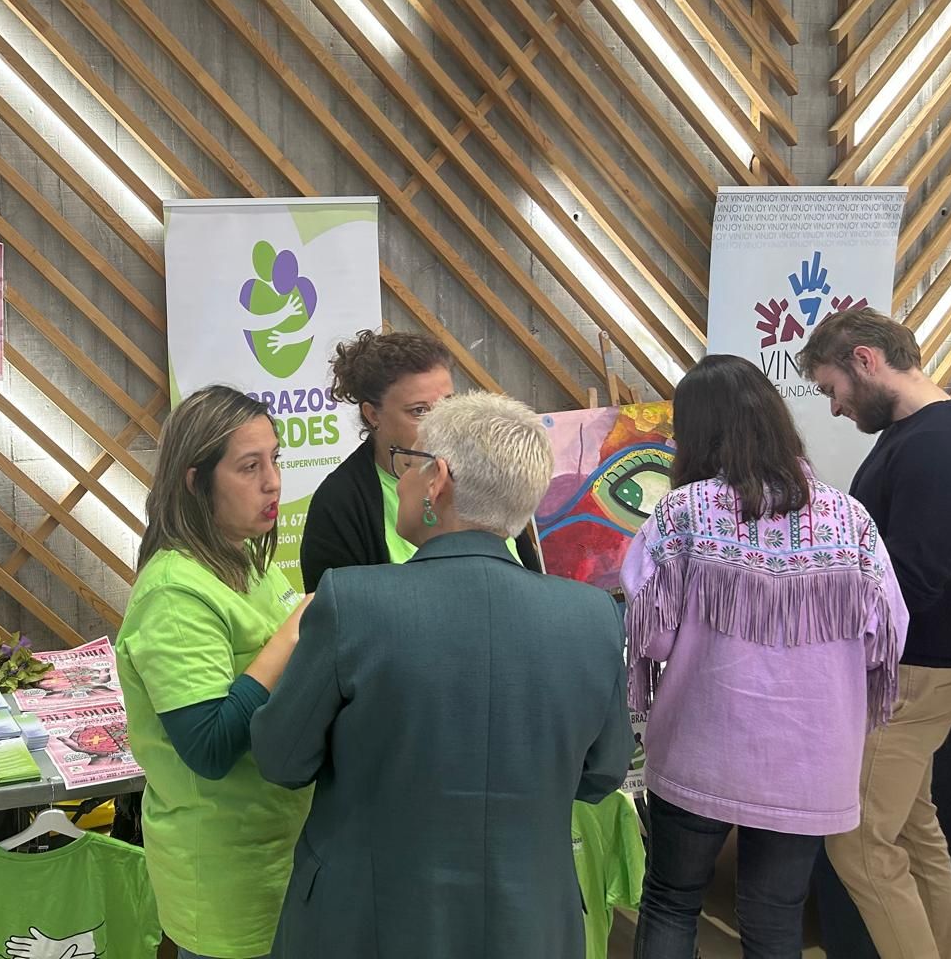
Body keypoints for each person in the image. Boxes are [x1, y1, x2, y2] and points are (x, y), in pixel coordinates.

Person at [251, 391, 634, 958]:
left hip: (364, 924)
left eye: (407, 464)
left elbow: (281, 759)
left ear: (438, 480)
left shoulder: (353, 603)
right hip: (529, 925)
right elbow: (602, 774)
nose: (400, 480)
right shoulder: (591, 616)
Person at [622, 354, 909, 958]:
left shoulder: (684, 512)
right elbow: (889, 632)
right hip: (809, 758)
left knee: (672, 900)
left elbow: (652, 635)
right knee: (774, 917)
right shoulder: (850, 521)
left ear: (696, 431)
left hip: (703, 744)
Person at [799, 308, 951, 959]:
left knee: (858, 843)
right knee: (912, 832)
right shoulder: (927, 433)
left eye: (831, 390)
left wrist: (814, 613)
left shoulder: (937, 445)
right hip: (920, 670)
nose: (832, 409)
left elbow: (910, 579)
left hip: (909, 679)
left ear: (865, 362)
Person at [115, 385, 312, 959]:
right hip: (228, 876)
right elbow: (208, 745)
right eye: (250, 467)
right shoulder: (175, 593)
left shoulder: (245, 560)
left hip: (278, 850)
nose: (273, 481)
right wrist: (295, 633)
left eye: (275, 459)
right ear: (195, 482)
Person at [298, 328, 455, 591]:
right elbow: (338, 617)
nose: (441, 424)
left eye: (449, 404)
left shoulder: (482, 471)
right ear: (372, 415)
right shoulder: (339, 503)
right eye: (419, 411)